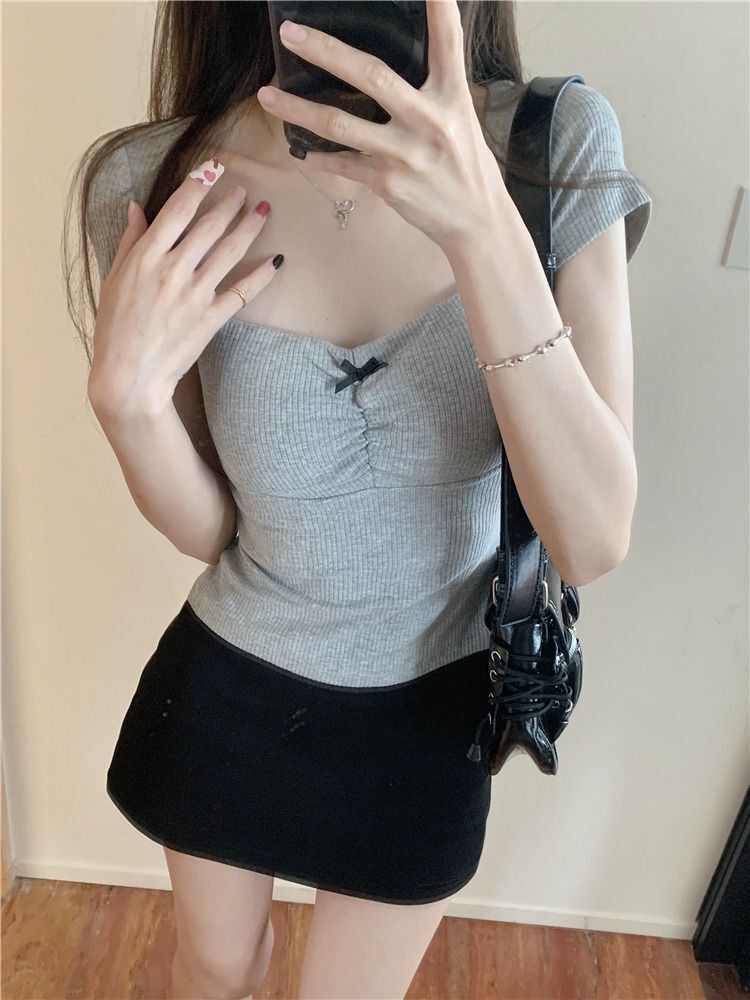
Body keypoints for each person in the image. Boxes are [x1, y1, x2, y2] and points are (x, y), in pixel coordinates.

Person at [69, 1, 652, 997]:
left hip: (432, 712)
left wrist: (483, 232)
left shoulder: (550, 147)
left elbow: (592, 539)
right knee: (214, 970)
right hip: (228, 690)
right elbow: (216, 532)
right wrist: (126, 411)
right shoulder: (161, 178)